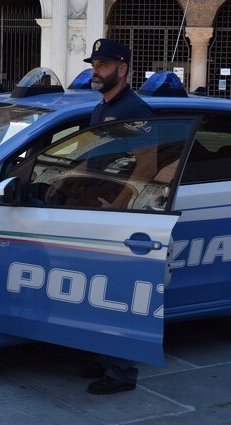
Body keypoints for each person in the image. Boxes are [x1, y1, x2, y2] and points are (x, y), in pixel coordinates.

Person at [80, 38, 154, 395]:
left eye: (103, 65)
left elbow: (148, 165)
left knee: (118, 294)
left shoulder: (134, 109)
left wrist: (120, 205)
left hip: (119, 216)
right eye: (95, 64)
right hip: (97, 212)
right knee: (98, 291)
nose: (96, 70)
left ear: (122, 69)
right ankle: (102, 357)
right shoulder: (101, 108)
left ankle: (122, 372)